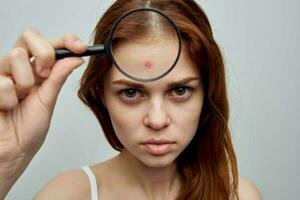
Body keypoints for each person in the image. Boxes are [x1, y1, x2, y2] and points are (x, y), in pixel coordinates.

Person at [0, 0, 262, 199]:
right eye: (131, 92)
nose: (157, 120)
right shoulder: (68, 194)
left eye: (180, 91)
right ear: (102, 95)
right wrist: (6, 160)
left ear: (207, 93)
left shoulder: (239, 195)